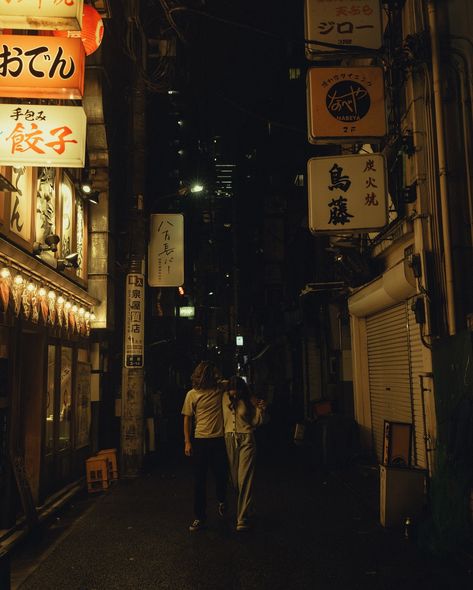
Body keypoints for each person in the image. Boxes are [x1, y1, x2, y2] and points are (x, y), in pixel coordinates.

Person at [181, 360, 228, 532]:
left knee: (221, 474)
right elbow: (187, 418)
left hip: (217, 439)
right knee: (199, 481)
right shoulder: (192, 395)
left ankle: (221, 499)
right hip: (200, 439)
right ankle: (200, 516)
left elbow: (235, 383)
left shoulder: (219, 388)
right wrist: (187, 441)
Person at [222, 375, 267, 531]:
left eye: (236, 388)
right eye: (231, 388)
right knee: (234, 480)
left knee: (244, 480)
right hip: (229, 440)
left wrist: (260, 410)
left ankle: (241, 518)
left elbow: (256, 422)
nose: (233, 392)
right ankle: (249, 506)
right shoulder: (223, 398)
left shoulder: (248, 401)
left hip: (247, 439)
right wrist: (227, 384)